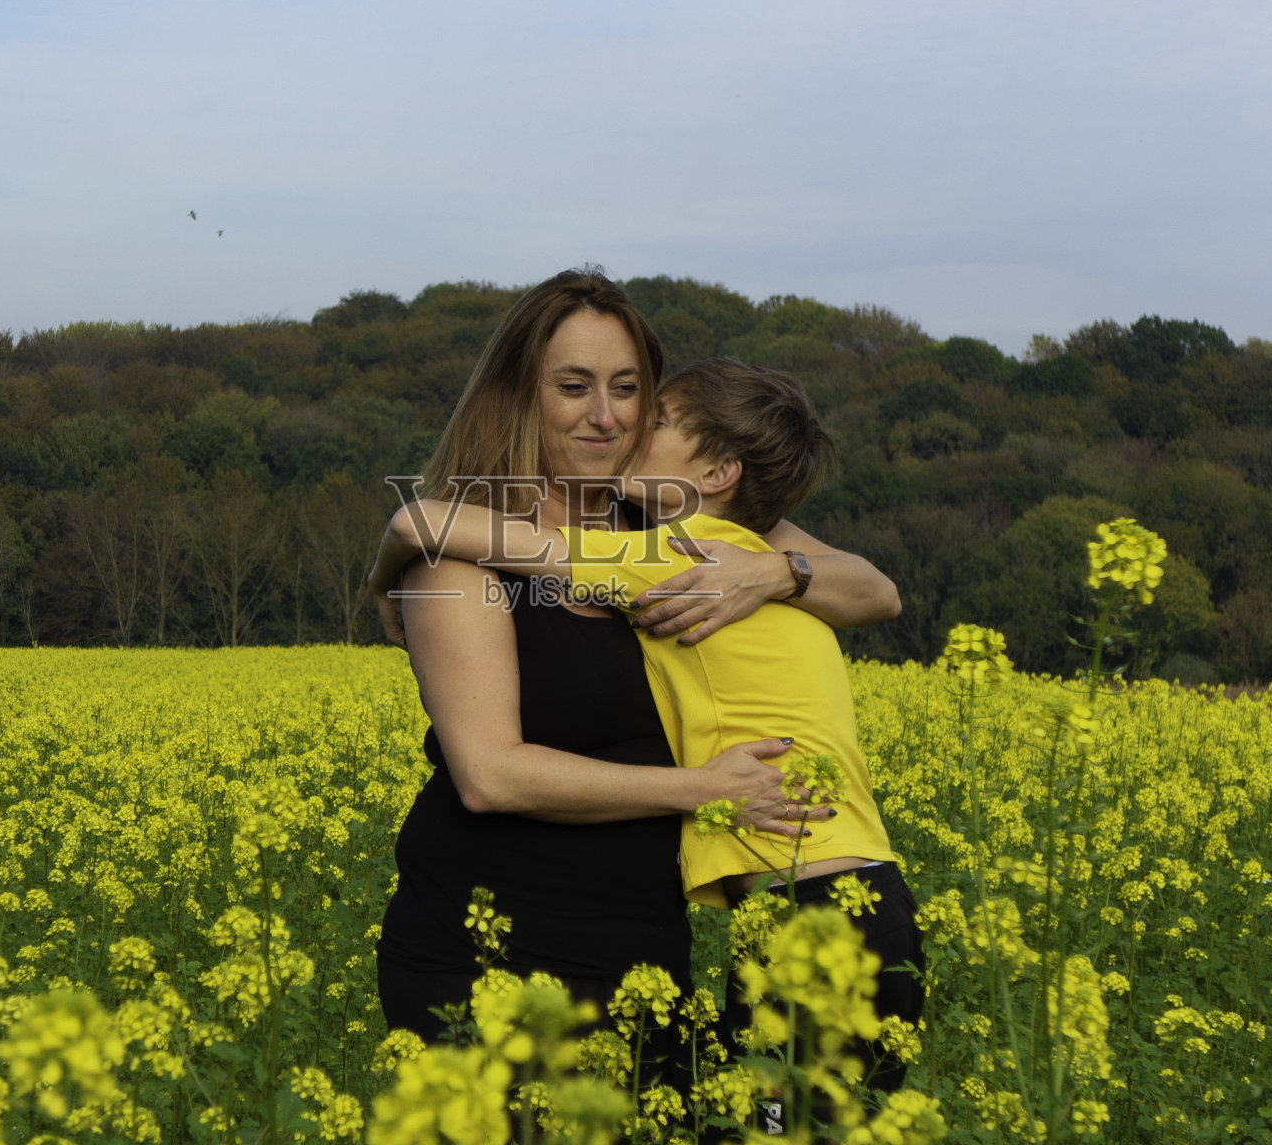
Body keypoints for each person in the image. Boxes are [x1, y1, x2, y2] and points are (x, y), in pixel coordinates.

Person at [371, 270, 901, 1039]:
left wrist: (778, 571)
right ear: (521, 394)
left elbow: (877, 592)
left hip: (647, 964)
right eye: (573, 386)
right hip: (488, 955)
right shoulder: (464, 553)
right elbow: (488, 777)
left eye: (627, 390)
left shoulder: (674, 514)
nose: (605, 416)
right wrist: (701, 789)